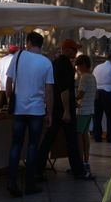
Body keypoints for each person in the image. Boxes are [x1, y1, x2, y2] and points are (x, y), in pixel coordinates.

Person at [35, 39, 93, 180]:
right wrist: (67, 110)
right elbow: (64, 90)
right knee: (71, 141)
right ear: (66, 49)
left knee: (50, 140)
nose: (75, 52)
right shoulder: (66, 66)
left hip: (56, 108)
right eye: (73, 49)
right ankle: (78, 171)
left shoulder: (54, 64)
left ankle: (37, 170)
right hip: (63, 110)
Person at [5, 32, 53, 197]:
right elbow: (49, 91)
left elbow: (9, 84)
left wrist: (10, 99)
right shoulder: (46, 62)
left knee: (16, 145)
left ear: (29, 42)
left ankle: (12, 182)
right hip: (37, 111)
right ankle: (30, 183)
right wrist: (50, 113)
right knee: (33, 146)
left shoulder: (18, 56)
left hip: (19, 109)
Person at [74, 54, 97, 175]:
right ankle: (86, 161)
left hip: (82, 111)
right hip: (90, 109)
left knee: (79, 136)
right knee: (85, 136)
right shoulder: (92, 77)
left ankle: (79, 161)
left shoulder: (84, 77)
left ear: (83, 65)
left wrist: (72, 100)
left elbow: (80, 94)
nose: (77, 68)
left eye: (78, 66)